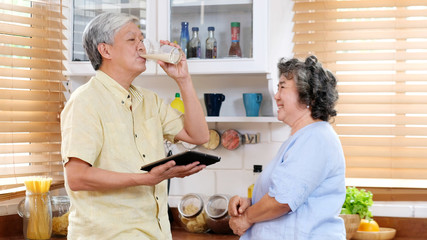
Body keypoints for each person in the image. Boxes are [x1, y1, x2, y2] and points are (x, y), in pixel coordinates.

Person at [60, 12, 209, 239]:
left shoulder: (149, 100)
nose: (141, 47)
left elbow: (198, 135)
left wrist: (183, 79)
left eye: (142, 40)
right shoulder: (85, 101)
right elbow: (77, 177)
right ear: (105, 50)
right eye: (132, 40)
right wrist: (146, 179)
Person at [228, 56, 346, 239]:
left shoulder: (316, 138)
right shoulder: (302, 138)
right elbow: (291, 195)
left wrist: (247, 218)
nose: (276, 96)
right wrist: (250, 203)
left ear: (308, 95)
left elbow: (282, 201)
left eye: (282, 87)